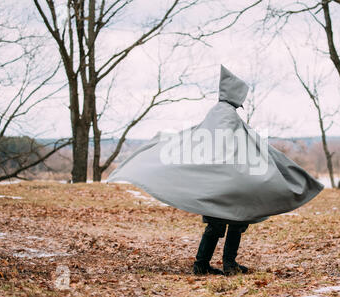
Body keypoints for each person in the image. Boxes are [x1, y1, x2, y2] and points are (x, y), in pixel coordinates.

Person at [107, 65, 324, 276]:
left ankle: (211, 264)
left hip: (220, 182)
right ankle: (219, 264)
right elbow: (237, 146)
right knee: (231, 222)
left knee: (224, 223)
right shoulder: (227, 115)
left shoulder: (220, 113)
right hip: (226, 183)